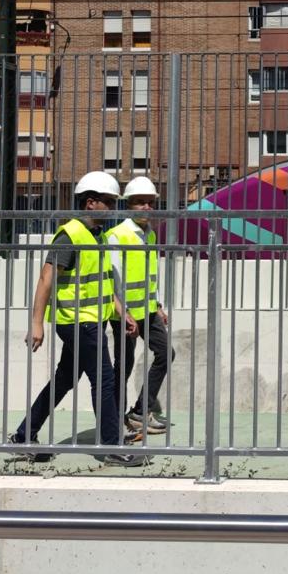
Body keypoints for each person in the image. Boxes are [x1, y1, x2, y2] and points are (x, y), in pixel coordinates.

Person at [9, 171, 146, 467]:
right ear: (90, 203)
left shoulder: (96, 237)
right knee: (105, 380)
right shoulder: (69, 235)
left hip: (89, 320)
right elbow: (46, 278)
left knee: (63, 381)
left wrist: (123, 312)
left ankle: (23, 436)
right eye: (108, 202)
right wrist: (36, 323)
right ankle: (111, 446)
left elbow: (100, 283)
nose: (112, 209)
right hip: (78, 323)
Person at [106, 176, 175, 437]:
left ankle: (139, 412)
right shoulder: (117, 235)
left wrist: (156, 305)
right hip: (125, 314)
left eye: (150, 202)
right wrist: (124, 313)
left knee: (166, 353)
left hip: (147, 310)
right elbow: (113, 279)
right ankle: (115, 420)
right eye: (139, 203)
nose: (146, 207)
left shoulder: (150, 234)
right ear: (128, 206)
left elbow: (148, 275)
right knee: (123, 365)